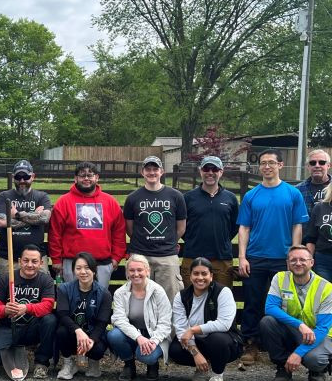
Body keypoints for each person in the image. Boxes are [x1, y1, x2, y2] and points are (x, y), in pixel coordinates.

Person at [237, 148, 307, 366]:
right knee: (252, 303)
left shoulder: (292, 194)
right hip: (256, 257)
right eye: (263, 163)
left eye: (271, 163)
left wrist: (294, 253)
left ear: (280, 165)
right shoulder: (251, 195)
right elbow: (244, 228)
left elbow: (298, 224)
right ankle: (252, 344)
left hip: (282, 259)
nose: (266, 166)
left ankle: (281, 343)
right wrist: (242, 257)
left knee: (284, 303)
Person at [260, 245, 332, 381]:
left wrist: (298, 353)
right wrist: (300, 325)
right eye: (293, 260)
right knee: (267, 322)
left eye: (302, 260)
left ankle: (317, 370)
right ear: (288, 263)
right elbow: (270, 308)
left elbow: (323, 328)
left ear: (312, 262)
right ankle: (283, 369)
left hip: (320, 334)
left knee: (314, 359)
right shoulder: (280, 278)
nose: (297, 263)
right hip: (296, 330)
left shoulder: (326, 288)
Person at [169, 257, 241, 381]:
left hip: (225, 341)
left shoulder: (223, 292)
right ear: (190, 276)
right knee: (175, 350)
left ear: (211, 276)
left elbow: (224, 324)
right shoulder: (181, 296)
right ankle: (201, 368)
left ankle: (217, 375)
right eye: (196, 273)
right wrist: (195, 353)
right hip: (197, 342)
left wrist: (193, 329)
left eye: (204, 274)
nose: (200, 278)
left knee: (217, 340)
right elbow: (180, 328)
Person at [49, 161, 125, 288]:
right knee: (73, 301)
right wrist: (56, 259)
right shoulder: (64, 202)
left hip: (102, 263)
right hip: (72, 263)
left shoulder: (110, 202)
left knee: (99, 302)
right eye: (82, 175)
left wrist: (116, 258)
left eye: (90, 175)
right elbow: (55, 233)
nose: (86, 178)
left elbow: (119, 231)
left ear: (97, 177)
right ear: (75, 178)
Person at [0, 245, 57, 379]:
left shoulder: (45, 280)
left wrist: (26, 308)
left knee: (50, 320)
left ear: (41, 263)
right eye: (26, 260)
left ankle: (41, 363)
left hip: (32, 327)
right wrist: (4, 310)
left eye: (34, 261)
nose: (30, 265)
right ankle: (13, 353)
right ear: (19, 261)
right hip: (8, 327)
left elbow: (48, 306)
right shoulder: (6, 279)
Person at [123, 155, 186, 302]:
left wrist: (168, 240)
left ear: (162, 172)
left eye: (155, 169)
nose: (152, 172)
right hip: (140, 256)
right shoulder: (133, 198)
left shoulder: (176, 196)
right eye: (148, 169)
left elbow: (181, 227)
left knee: (170, 299)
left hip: (167, 256)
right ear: (142, 172)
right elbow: (129, 229)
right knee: (139, 299)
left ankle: (169, 326)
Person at [107, 254, 172, 381]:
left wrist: (153, 341)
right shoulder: (120, 292)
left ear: (147, 271)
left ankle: (152, 364)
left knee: (146, 356)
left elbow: (165, 322)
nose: (136, 274)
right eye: (132, 270)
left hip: (154, 334)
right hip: (134, 335)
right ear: (127, 273)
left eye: (140, 270)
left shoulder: (158, 291)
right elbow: (119, 319)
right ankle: (129, 364)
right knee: (113, 335)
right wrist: (139, 337)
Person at [181, 156, 239, 288]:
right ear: (200, 171)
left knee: (221, 299)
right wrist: (192, 238)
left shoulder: (230, 198)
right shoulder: (188, 198)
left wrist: (222, 239)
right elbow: (181, 226)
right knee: (192, 300)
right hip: (193, 257)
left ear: (221, 172)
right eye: (206, 169)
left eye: (215, 169)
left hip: (221, 258)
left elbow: (235, 226)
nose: (210, 173)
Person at [55, 252, 112, 380]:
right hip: (72, 332)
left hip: (92, 333)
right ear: (74, 271)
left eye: (87, 268)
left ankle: (93, 362)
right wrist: (78, 331)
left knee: (98, 349)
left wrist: (91, 340)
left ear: (94, 270)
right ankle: (68, 363)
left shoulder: (104, 293)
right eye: (78, 268)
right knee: (61, 332)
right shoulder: (64, 289)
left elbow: (102, 322)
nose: (83, 272)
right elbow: (63, 315)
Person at [0, 160, 52, 278]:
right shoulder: (4, 196)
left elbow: (44, 218)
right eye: (18, 177)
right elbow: (1, 222)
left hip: (37, 258)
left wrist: (17, 214)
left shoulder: (42, 197)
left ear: (32, 176)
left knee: (39, 293)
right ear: (13, 177)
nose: (22, 181)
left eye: (25, 177)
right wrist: (33, 216)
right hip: (9, 257)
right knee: (6, 294)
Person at [295, 149, 331, 243]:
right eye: (312, 163)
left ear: (329, 165)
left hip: (328, 245)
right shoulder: (297, 191)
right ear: (308, 166)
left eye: (322, 162)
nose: (317, 165)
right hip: (304, 243)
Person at [306, 182, 332, 281]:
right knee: (323, 293)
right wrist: (309, 261)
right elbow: (311, 238)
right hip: (323, 260)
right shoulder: (320, 207)